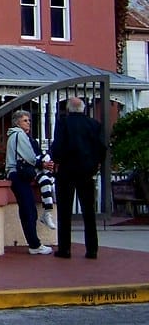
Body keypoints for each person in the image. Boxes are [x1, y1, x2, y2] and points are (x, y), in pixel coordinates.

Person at [50, 96, 107, 259]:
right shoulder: (94, 124)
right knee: (89, 211)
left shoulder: (64, 123)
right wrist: (95, 164)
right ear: (83, 108)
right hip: (86, 171)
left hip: (67, 171)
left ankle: (65, 249)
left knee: (65, 211)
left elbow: (58, 146)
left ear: (68, 109)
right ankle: (92, 249)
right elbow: (102, 147)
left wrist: (57, 160)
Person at [5, 109, 54, 254]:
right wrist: (42, 164)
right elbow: (30, 156)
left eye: (29, 120)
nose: (28, 123)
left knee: (28, 209)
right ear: (17, 122)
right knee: (28, 211)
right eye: (25, 120)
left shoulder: (14, 135)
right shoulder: (19, 135)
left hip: (16, 175)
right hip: (18, 175)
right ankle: (34, 245)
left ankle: (34, 243)